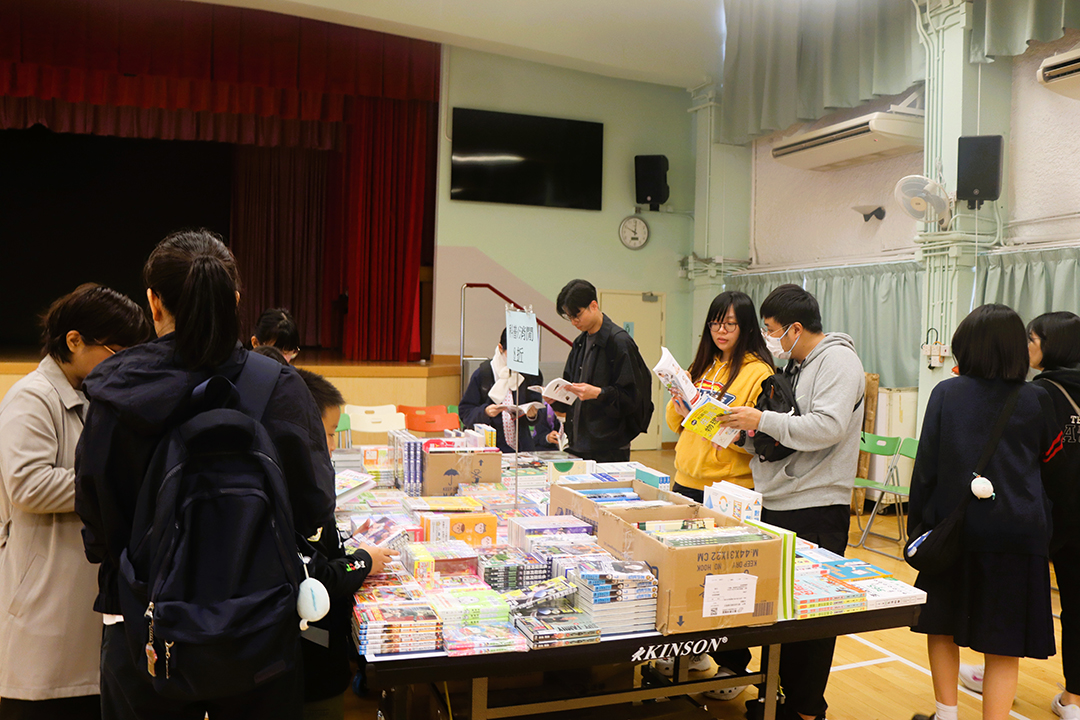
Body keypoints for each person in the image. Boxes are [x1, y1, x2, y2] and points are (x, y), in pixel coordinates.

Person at [74, 230, 336, 720]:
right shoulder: (279, 386)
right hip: (260, 626)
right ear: (234, 300)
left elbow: (97, 521)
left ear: (154, 303)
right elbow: (314, 507)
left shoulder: (116, 391)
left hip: (144, 627)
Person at [0, 284, 150, 720]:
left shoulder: (91, 394)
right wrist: (113, 484)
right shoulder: (32, 397)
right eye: (116, 350)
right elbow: (28, 485)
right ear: (74, 341)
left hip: (82, 613)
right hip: (44, 613)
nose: (123, 362)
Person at [717, 284, 865, 720]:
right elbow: (782, 435)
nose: (768, 338)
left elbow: (827, 427)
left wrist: (762, 418)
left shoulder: (838, 361)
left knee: (812, 620)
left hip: (816, 506)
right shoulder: (795, 365)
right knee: (778, 613)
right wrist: (740, 431)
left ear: (795, 329)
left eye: (771, 329)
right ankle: (776, 698)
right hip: (777, 500)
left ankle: (805, 710)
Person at [908, 304, 1058, 720]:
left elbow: (926, 470)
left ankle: (947, 715)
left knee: (941, 626)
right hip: (1018, 536)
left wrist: (920, 529)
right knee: (1004, 643)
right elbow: (1051, 470)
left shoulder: (946, 394)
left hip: (953, 531)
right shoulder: (1037, 397)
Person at [257, 350, 395, 720]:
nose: (333, 445)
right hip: (309, 659)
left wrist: (347, 546)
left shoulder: (290, 477)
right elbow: (315, 574)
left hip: (310, 649)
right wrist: (362, 561)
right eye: (329, 434)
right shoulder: (291, 491)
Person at [957, 311, 1080, 719]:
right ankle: (1074, 700)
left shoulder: (1038, 393)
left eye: (1032, 338)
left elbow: (1029, 458)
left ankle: (996, 677)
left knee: (1010, 600)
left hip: (1044, 513)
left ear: (1052, 345)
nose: (1026, 346)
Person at [550, 279, 652, 462]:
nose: (573, 322)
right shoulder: (580, 343)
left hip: (609, 447)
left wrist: (598, 393)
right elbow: (570, 386)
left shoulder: (619, 342)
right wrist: (555, 398)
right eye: (569, 317)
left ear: (593, 305)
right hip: (578, 442)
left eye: (577, 315)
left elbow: (633, 397)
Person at [458, 330, 545, 453]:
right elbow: (465, 412)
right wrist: (485, 412)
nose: (518, 359)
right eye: (513, 353)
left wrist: (532, 415)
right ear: (500, 348)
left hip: (523, 450)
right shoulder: (484, 373)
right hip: (490, 448)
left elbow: (538, 411)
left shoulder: (530, 374)